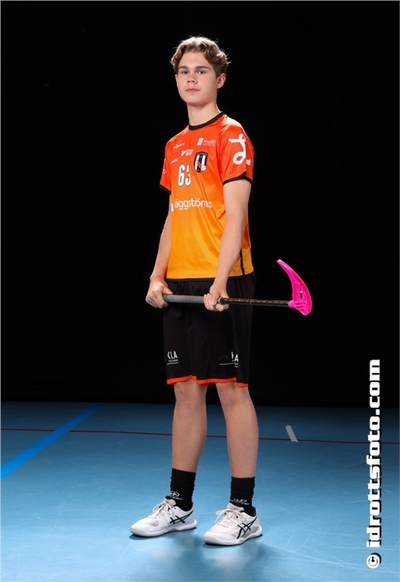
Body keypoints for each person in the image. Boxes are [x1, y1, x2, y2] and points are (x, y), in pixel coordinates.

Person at [130, 35, 262, 546]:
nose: (191, 78)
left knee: (231, 390)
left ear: (219, 79)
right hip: (181, 281)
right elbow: (173, 216)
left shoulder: (232, 136)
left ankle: (243, 510)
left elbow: (236, 216)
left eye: (201, 71)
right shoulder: (174, 145)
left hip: (223, 279)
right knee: (186, 390)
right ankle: (180, 505)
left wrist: (221, 280)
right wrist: (156, 275)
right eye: (184, 71)